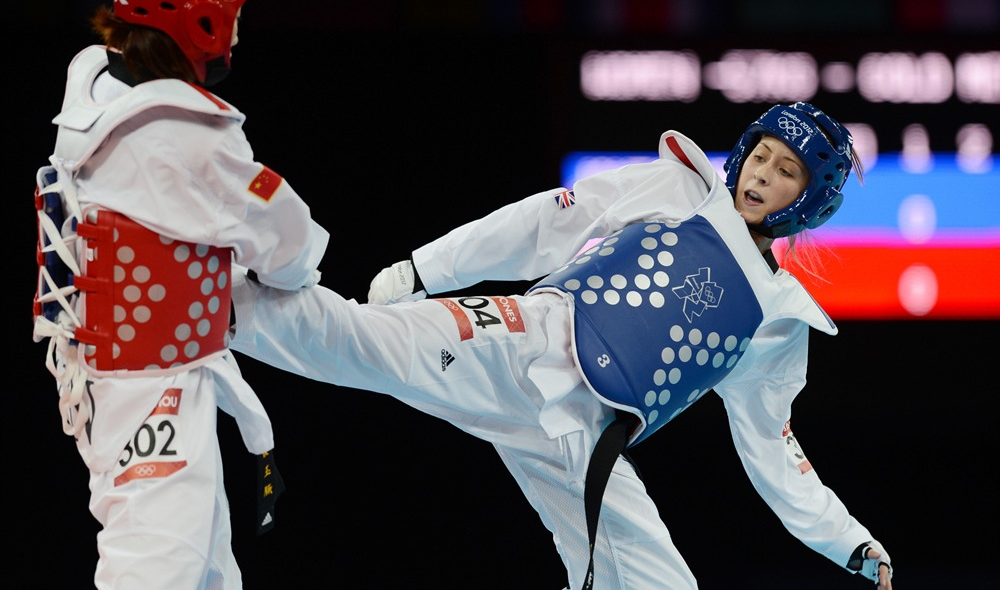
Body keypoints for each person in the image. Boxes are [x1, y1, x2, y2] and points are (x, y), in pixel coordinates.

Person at [227, 102, 893, 589]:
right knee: (360, 342)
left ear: (809, 203)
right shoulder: (679, 189)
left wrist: (850, 543)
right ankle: (217, 301)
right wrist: (426, 269)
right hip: (528, 339)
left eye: (786, 171)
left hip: (584, 440)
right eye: (762, 155)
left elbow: (773, 447)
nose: (763, 174)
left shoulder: (777, 320)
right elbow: (543, 222)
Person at [32, 0, 328, 588]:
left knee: (210, 574)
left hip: (115, 380)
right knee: (158, 571)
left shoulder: (95, 86)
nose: (239, 31)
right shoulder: (189, 137)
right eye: (232, 14)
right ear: (202, 24)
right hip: (154, 392)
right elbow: (291, 247)